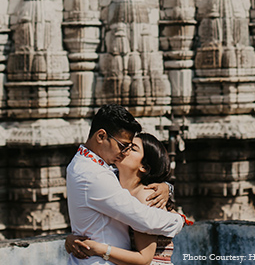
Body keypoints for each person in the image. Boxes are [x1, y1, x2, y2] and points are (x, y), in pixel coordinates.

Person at [66, 105, 185, 265]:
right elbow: (143, 219)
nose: (124, 152)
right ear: (101, 136)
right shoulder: (92, 174)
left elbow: (132, 183)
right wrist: (178, 220)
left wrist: (166, 187)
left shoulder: (94, 166)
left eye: (130, 148)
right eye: (122, 146)